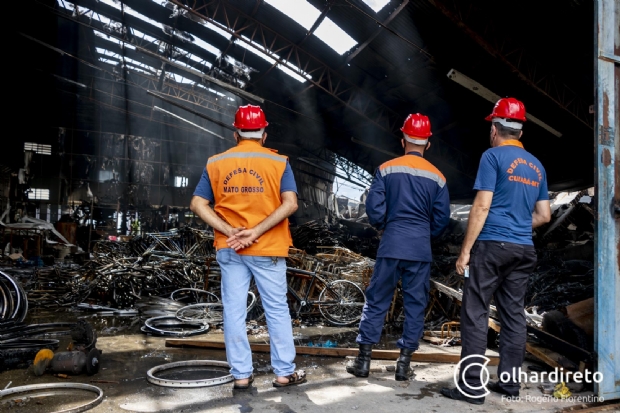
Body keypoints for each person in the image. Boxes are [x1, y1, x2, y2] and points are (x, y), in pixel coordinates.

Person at [441, 97, 551, 404]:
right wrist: (518, 222)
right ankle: (510, 385)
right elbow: (544, 216)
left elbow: (482, 205)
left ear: (494, 128)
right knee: (514, 316)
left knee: (475, 313)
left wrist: (465, 251)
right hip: (523, 249)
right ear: (520, 132)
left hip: (493, 247)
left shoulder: (492, 157)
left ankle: (471, 386)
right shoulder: (537, 166)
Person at [190, 104, 306, 389]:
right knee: (276, 310)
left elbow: (197, 204)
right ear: (264, 133)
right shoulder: (279, 163)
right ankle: (283, 373)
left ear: (236, 133)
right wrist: (255, 232)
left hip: (229, 247)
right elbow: (290, 203)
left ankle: (241, 376)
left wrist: (231, 230)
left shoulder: (216, 162)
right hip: (267, 247)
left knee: (233, 311)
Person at [347, 113, 450, 380]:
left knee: (377, 301)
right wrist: (424, 235)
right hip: (419, 249)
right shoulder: (438, 178)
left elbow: (374, 208)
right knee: (416, 305)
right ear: (428, 144)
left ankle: (364, 363)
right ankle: (404, 366)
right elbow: (441, 219)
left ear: (402, 139)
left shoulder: (386, 169)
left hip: (391, 244)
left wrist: (385, 226)